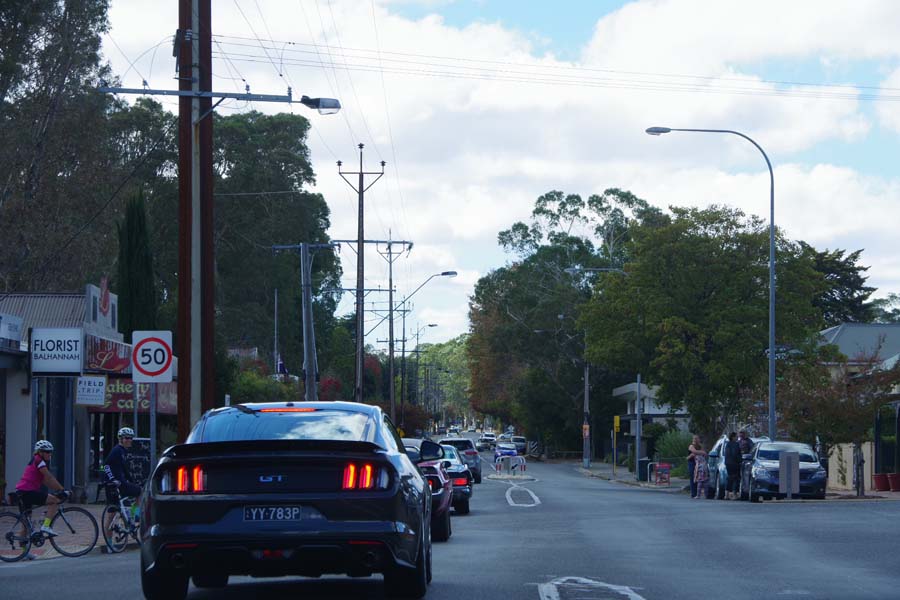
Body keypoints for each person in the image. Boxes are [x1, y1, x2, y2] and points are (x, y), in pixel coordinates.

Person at [15, 440, 68, 537]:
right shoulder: (39, 461)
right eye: (47, 452)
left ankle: (23, 547)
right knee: (55, 501)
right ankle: (46, 526)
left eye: (51, 452)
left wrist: (58, 489)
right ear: (40, 452)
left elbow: (45, 481)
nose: (49, 454)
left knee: (26, 525)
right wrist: (62, 490)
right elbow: (49, 477)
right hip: (28, 492)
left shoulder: (36, 460)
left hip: (22, 492)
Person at [104, 427, 142, 504]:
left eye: (131, 438)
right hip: (116, 483)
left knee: (115, 507)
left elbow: (124, 469)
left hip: (120, 482)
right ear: (120, 439)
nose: (129, 440)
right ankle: (136, 512)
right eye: (127, 438)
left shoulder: (122, 451)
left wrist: (132, 481)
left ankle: (131, 511)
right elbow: (105, 466)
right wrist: (112, 479)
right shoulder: (117, 450)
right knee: (140, 491)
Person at [724, 431, 742, 500]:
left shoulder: (727, 444)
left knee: (729, 478)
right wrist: (740, 460)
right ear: (733, 437)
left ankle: (726, 494)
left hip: (728, 463)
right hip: (735, 463)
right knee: (736, 479)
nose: (737, 438)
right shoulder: (736, 444)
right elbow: (735, 454)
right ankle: (734, 495)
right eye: (736, 436)